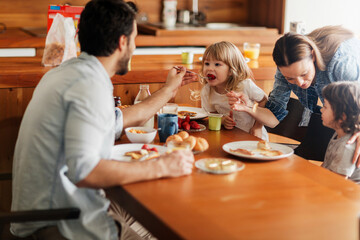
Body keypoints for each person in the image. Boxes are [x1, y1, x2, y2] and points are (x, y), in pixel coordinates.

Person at [11, 0, 197, 239]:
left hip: (50, 211)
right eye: (135, 39)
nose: (134, 47)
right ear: (122, 42)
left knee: (158, 220)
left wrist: (168, 90)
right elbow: (86, 172)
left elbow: (118, 121)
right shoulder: (89, 85)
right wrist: (161, 166)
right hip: (58, 225)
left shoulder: (67, 72)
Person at [227, 26, 360, 161]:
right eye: (290, 78)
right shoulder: (284, 70)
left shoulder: (341, 63)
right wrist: (249, 109)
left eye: (304, 73)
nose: (300, 82)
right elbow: (273, 117)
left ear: (313, 56)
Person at [199, 41, 268, 140]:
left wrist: (257, 127)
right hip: (229, 138)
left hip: (254, 137)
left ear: (231, 70)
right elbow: (211, 115)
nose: (210, 68)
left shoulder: (245, 86)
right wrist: (222, 120)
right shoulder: (207, 91)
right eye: (207, 63)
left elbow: (264, 100)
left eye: (217, 64)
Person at [320, 82, 360, 183]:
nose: (321, 110)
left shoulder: (346, 147)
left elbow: (336, 183)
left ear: (342, 117)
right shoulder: (339, 133)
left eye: (325, 106)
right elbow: (326, 166)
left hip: (346, 195)